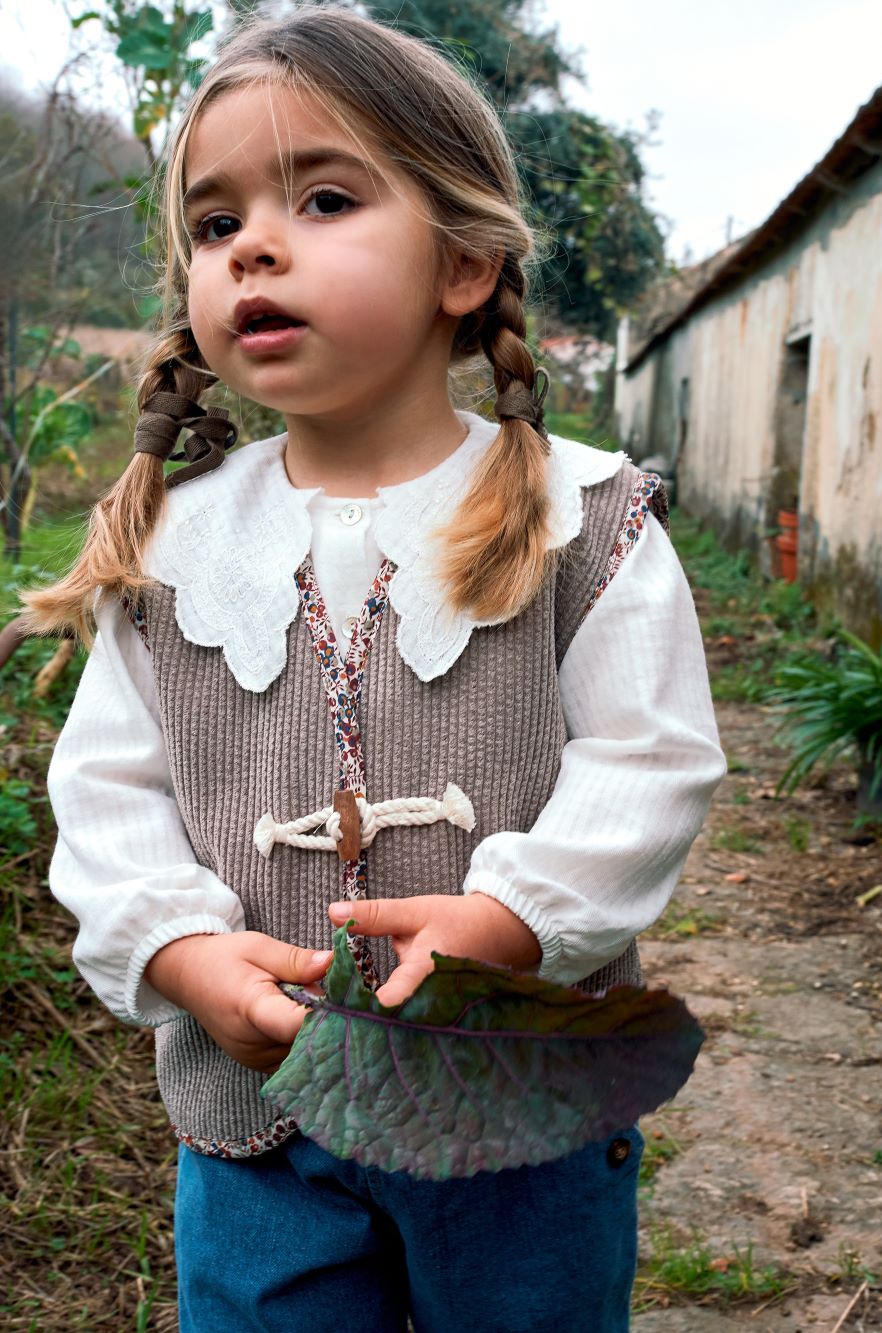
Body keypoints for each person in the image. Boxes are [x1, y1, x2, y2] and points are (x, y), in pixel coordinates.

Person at [27, 8, 726, 1331]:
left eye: (326, 197)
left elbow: (653, 761)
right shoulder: (171, 546)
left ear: (464, 260)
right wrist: (178, 948)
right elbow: (106, 793)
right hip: (260, 1126)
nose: (254, 250)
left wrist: (513, 918)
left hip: (517, 1108)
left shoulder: (585, 519)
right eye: (217, 225)